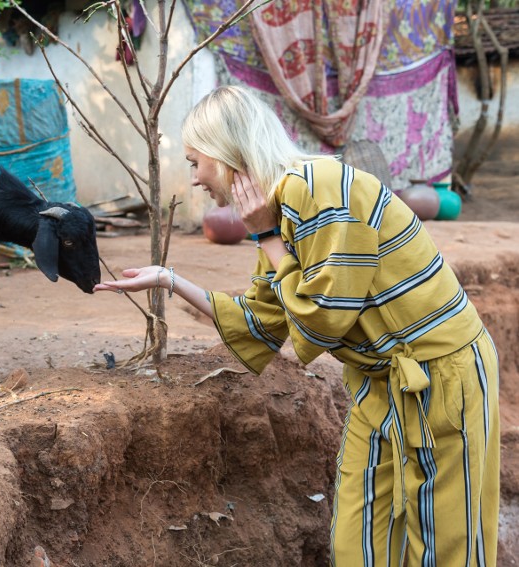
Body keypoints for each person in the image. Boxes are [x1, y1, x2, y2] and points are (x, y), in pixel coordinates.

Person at [94, 85, 500, 566]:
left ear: (225, 155)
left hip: (443, 376)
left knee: (446, 543)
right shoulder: (275, 212)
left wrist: (266, 236)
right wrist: (170, 280)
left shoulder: (320, 187)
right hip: (378, 383)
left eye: (194, 161)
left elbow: (324, 320)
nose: (196, 178)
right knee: (360, 539)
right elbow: (262, 320)